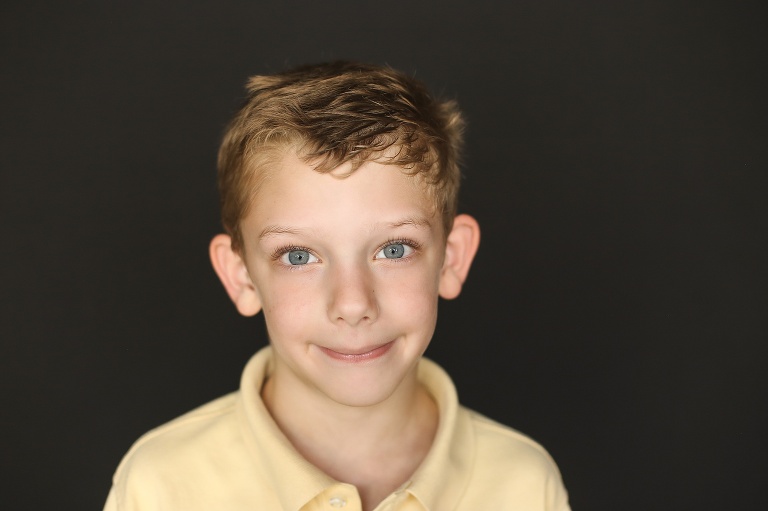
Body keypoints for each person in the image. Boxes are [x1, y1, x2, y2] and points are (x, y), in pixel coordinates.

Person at [103, 61, 571, 511]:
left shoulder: (523, 484)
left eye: (394, 249)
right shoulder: (162, 484)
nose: (352, 304)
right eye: (299, 256)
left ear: (451, 259)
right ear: (241, 276)